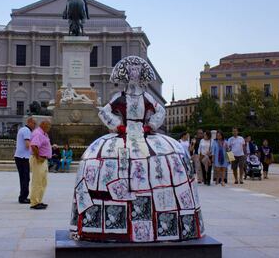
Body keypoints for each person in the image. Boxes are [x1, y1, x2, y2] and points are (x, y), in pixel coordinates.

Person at [70, 56, 205, 242]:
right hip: (125, 134)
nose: (134, 73)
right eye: (131, 71)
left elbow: (161, 111)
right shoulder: (120, 97)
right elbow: (104, 112)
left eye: (137, 71)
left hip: (144, 133)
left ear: (140, 74)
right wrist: (118, 126)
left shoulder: (146, 96)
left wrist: (150, 126)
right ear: (127, 75)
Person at [30, 120, 52, 210]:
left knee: (43, 182)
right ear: (42, 124)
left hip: (43, 160)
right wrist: (38, 157)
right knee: (37, 181)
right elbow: (34, 146)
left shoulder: (43, 133)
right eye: (48, 125)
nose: (49, 127)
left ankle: (38, 200)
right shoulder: (38, 133)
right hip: (39, 160)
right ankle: (34, 203)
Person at [14, 117, 36, 204]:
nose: (35, 126)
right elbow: (27, 145)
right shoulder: (27, 130)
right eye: (34, 123)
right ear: (29, 122)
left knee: (24, 178)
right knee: (25, 178)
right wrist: (36, 150)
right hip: (23, 157)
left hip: (20, 157)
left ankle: (23, 196)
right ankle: (23, 197)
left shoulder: (23, 129)